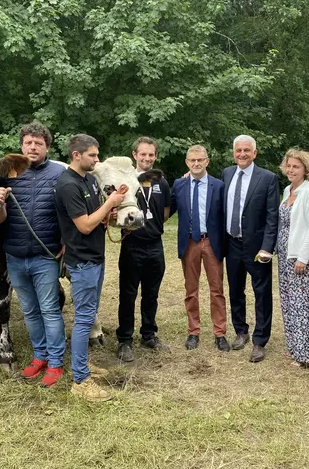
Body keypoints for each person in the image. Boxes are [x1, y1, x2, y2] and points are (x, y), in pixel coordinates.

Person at [0, 123, 67, 387]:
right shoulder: (7, 173)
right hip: (14, 254)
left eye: (38, 143)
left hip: (45, 255)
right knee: (30, 311)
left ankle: (56, 362)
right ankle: (40, 356)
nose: (32, 147)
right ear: (21, 145)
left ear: (47, 146)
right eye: (28, 143)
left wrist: (66, 243)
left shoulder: (61, 173)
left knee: (49, 309)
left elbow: (70, 211)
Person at [55, 134, 125, 402]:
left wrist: (110, 212)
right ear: (76, 155)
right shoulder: (68, 185)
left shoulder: (88, 181)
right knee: (84, 318)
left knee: (89, 313)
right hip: (82, 261)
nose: (97, 159)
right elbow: (84, 225)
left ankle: (81, 364)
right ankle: (80, 381)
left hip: (95, 257)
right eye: (93, 155)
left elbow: (94, 218)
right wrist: (109, 204)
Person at [222, 135, 279, 363]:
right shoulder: (227, 174)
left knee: (261, 293)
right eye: (238, 151)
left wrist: (267, 247)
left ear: (254, 153)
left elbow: (272, 216)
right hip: (232, 243)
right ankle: (241, 331)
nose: (242, 154)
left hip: (257, 247)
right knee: (236, 289)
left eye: (247, 150)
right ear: (233, 153)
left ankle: (259, 340)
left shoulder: (267, 178)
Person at [115, 136, 171, 362]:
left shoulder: (161, 182)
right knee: (128, 295)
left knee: (151, 294)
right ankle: (124, 340)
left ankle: (148, 334)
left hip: (155, 245)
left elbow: (165, 212)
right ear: (134, 155)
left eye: (151, 154)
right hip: (132, 245)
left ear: (155, 156)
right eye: (143, 154)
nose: (147, 158)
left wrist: (152, 228)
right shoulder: (124, 181)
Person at [170, 145, 228, 351]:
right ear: (187, 162)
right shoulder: (179, 185)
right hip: (189, 242)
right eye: (192, 160)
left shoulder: (219, 186)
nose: (196, 163)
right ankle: (193, 331)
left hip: (211, 242)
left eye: (200, 160)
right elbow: (167, 211)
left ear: (207, 161)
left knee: (217, 289)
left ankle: (220, 333)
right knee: (191, 290)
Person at [276, 149, 309, 368]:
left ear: (306, 169)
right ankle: (295, 347)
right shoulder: (288, 190)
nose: (291, 170)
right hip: (285, 254)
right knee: (288, 303)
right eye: (288, 166)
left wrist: (302, 258)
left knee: (302, 305)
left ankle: (305, 355)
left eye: (296, 166)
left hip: (301, 258)